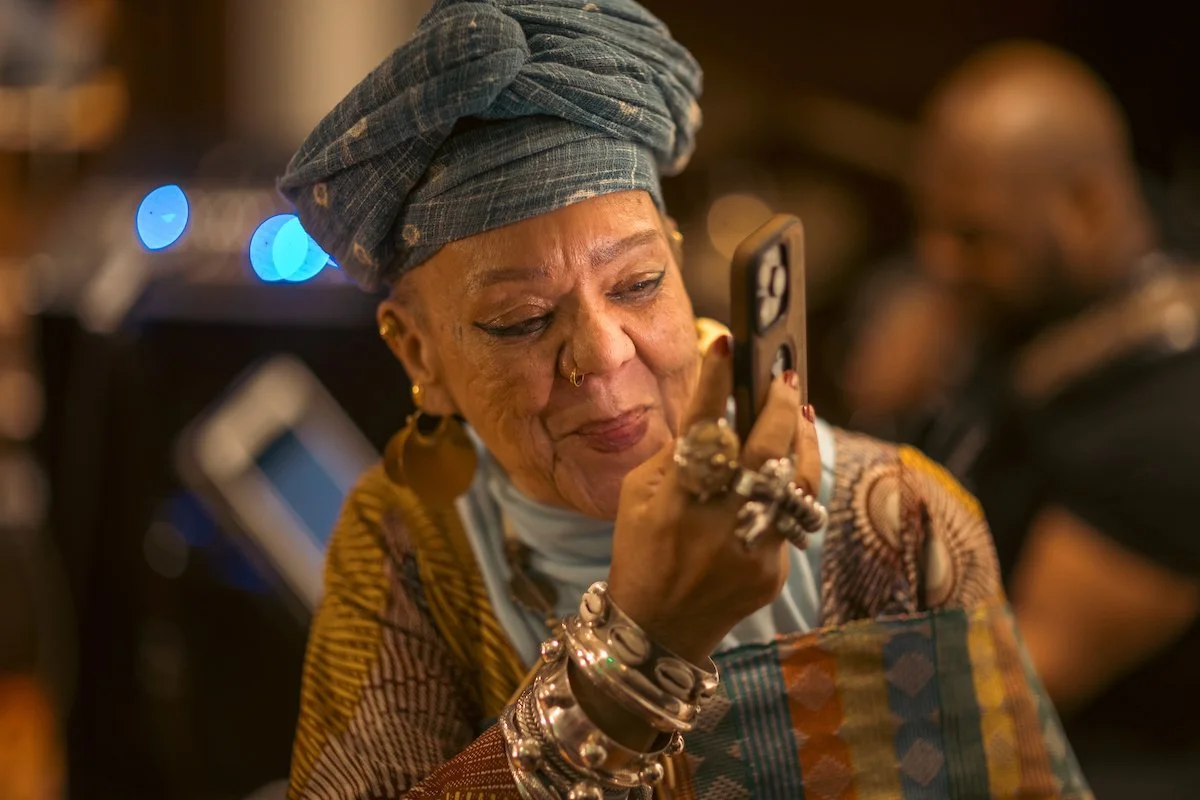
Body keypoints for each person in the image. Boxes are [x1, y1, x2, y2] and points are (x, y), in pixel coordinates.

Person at [278, 3, 1088, 798]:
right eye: (520, 320)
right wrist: (640, 652)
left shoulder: (895, 524)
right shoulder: (409, 543)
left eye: (638, 283)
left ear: (678, 261)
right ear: (418, 352)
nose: (604, 353)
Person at [911, 41, 1200, 797]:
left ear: (1090, 205)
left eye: (974, 237)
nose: (938, 263)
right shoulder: (1108, 255)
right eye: (932, 226)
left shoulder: (1171, 440)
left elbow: (995, 698)